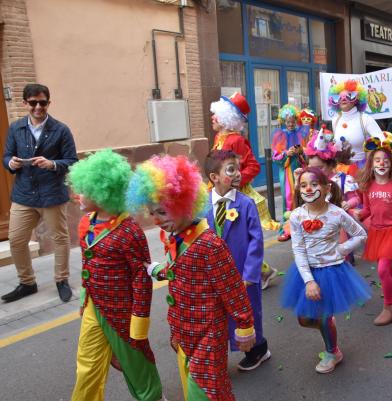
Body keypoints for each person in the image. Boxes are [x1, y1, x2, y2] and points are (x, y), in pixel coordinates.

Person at [127, 155, 256, 401]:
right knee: (198, 390)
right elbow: (179, 270)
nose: (157, 221)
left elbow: (233, 290)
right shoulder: (178, 238)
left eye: (162, 212)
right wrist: (155, 270)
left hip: (209, 333)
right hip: (183, 332)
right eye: (152, 213)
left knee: (207, 392)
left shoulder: (210, 244)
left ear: (183, 204)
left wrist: (245, 325)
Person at [68, 149, 163, 401]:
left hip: (123, 312)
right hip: (93, 307)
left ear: (102, 192)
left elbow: (141, 279)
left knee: (136, 363)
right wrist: (83, 299)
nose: (78, 195)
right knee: (86, 365)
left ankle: (153, 398)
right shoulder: (85, 223)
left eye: (84, 190)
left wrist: (139, 322)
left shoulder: (129, 231)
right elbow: (86, 266)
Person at [281, 167, 369, 374]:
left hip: (332, 272)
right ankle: (327, 323)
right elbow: (298, 250)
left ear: (327, 187)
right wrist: (309, 281)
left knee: (322, 316)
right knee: (304, 319)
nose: (308, 189)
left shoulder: (337, 213)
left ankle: (333, 352)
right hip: (307, 272)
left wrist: (341, 249)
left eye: (313, 184)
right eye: (303, 185)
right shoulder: (296, 216)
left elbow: (360, 234)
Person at [1, 83, 77, 303]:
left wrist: (52, 164)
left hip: (52, 194)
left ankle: (61, 280)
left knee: (60, 239)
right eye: (33, 102)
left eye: (42, 102)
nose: (37, 107)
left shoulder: (61, 130)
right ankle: (27, 282)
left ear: (48, 103)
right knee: (16, 239)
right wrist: (11, 162)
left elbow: (72, 161)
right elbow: (6, 156)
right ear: (25, 103)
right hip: (24, 195)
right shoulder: (16, 128)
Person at [204, 149, 271, 371]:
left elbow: (256, 241)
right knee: (218, 315)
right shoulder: (203, 206)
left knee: (248, 312)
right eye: (230, 170)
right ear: (214, 177)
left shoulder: (245, 203)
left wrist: (250, 274)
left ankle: (258, 349)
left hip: (243, 275)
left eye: (237, 169)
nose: (238, 174)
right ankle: (218, 352)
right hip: (215, 276)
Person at [210, 93, 279, 288]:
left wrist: (235, 180)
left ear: (226, 117)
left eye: (215, 114)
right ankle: (260, 271)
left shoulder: (236, 140)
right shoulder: (219, 137)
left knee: (238, 237)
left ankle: (259, 272)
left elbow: (253, 166)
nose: (212, 117)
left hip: (236, 195)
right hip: (220, 192)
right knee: (223, 234)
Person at [354, 137, 392, 325]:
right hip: (376, 232)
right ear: (371, 163)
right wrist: (356, 214)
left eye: (386, 160)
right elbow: (367, 210)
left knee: (382, 270)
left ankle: (389, 307)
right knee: (386, 268)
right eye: (378, 160)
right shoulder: (367, 185)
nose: (382, 163)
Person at [271, 104, 310, 242]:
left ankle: (305, 227)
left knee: (304, 196)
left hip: (301, 170)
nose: (291, 124)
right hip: (287, 172)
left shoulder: (302, 133)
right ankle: (287, 229)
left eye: (293, 121)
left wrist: (301, 152)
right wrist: (286, 153)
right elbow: (275, 158)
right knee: (289, 197)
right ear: (283, 122)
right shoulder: (279, 135)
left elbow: (309, 154)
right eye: (288, 122)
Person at [329, 79, 383, 173]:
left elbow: (382, 142)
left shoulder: (365, 119)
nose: (343, 99)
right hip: (340, 171)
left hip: (361, 171)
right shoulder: (335, 120)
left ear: (357, 99)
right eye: (340, 97)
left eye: (349, 96)